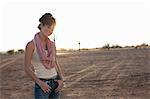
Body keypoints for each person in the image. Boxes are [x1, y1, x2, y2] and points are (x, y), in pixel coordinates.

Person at [24, 13, 64, 99]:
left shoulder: (52, 44)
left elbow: (56, 63)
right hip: (42, 84)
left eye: (52, 29)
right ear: (41, 25)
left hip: (56, 82)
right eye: (48, 27)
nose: (50, 31)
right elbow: (27, 67)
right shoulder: (31, 45)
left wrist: (61, 79)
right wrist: (40, 83)